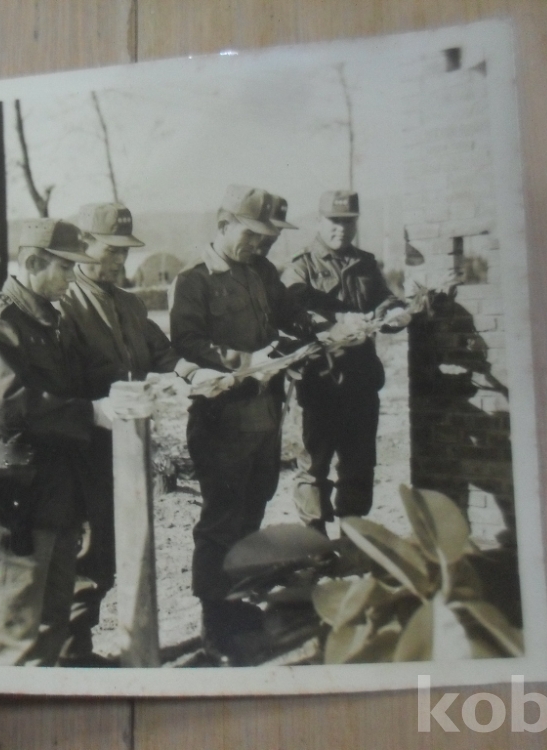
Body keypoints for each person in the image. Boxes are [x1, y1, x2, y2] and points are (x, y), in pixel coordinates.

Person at [0, 219, 114, 666]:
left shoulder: (49, 320)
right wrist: (91, 412)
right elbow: (6, 408)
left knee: (50, 623)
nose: (72, 278)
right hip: (19, 495)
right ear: (31, 261)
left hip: (59, 493)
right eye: (64, 267)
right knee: (7, 635)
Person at [170, 185, 313, 663]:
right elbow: (187, 344)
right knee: (221, 521)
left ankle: (239, 605)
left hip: (265, 417)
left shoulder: (262, 272)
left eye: (265, 237)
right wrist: (250, 361)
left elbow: (290, 316)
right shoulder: (194, 279)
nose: (259, 244)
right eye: (251, 235)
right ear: (223, 223)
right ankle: (216, 622)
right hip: (223, 423)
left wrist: (313, 332)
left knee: (252, 513)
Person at [57, 202, 179, 666]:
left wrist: (191, 373)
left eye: (124, 252)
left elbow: (162, 352)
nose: (119, 262)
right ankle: (71, 656)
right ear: (83, 246)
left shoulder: (129, 304)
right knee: (87, 553)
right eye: (110, 251)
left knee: (118, 547)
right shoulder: (63, 304)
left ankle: (110, 644)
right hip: (81, 448)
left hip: (128, 447)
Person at [281, 190, 409, 532]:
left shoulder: (365, 264)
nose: (341, 228)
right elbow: (290, 312)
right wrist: (334, 323)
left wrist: (395, 313)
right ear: (319, 222)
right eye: (334, 221)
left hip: (361, 382)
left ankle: (353, 539)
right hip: (319, 383)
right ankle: (316, 546)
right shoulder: (302, 266)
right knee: (314, 467)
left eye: (348, 222)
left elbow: (384, 300)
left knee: (359, 465)